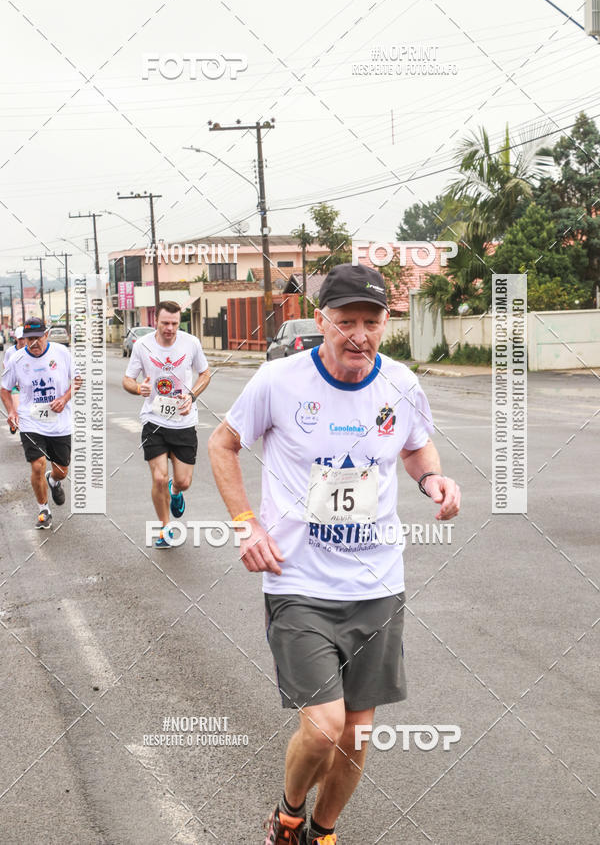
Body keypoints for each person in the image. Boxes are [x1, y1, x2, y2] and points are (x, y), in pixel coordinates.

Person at [208, 264, 461, 845]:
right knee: (323, 727)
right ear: (322, 320)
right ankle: (289, 814)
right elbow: (223, 446)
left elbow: (418, 451)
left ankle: (321, 830)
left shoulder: (400, 384)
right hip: (298, 582)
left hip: (377, 585)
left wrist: (434, 483)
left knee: (356, 736)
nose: (359, 336)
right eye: (345, 321)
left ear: (384, 323)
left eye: (371, 322)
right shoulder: (279, 381)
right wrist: (246, 525)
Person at [122, 301, 211, 547]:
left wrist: (191, 395)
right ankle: (164, 529)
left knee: (183, 481)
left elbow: (205, 374)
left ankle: (175, 490)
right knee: (159, 478)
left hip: (184, 422)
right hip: (154, 420)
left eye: (174, 323)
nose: (170, 328)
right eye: (165, 323)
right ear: (156, 322)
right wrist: (138, 387)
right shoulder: (142, 346)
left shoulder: (191, 343)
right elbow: (127, 379)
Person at [1, 317, 82, 528]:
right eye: (29, 339)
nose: (33, 343)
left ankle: (54, 480)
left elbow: (78, 380)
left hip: (59, 422)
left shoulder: (62, 353)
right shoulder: (16, 359)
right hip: (31, 421)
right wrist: (11, 410)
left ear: (46, 335)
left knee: (62, 468)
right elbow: (4, 388)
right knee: (37, 465)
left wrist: (64, 399)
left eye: (37, 338)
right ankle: (43, 509)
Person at [2, 325, 26, 433]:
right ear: (15, 338)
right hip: (15, 386)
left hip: (27, 385)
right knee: (18, 410)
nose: (22, 341)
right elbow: (7, 369)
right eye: (20, 338)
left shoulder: (31, 350)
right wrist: (15, 383)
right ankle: (17, 425)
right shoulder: (10, 352)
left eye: (24, 338)